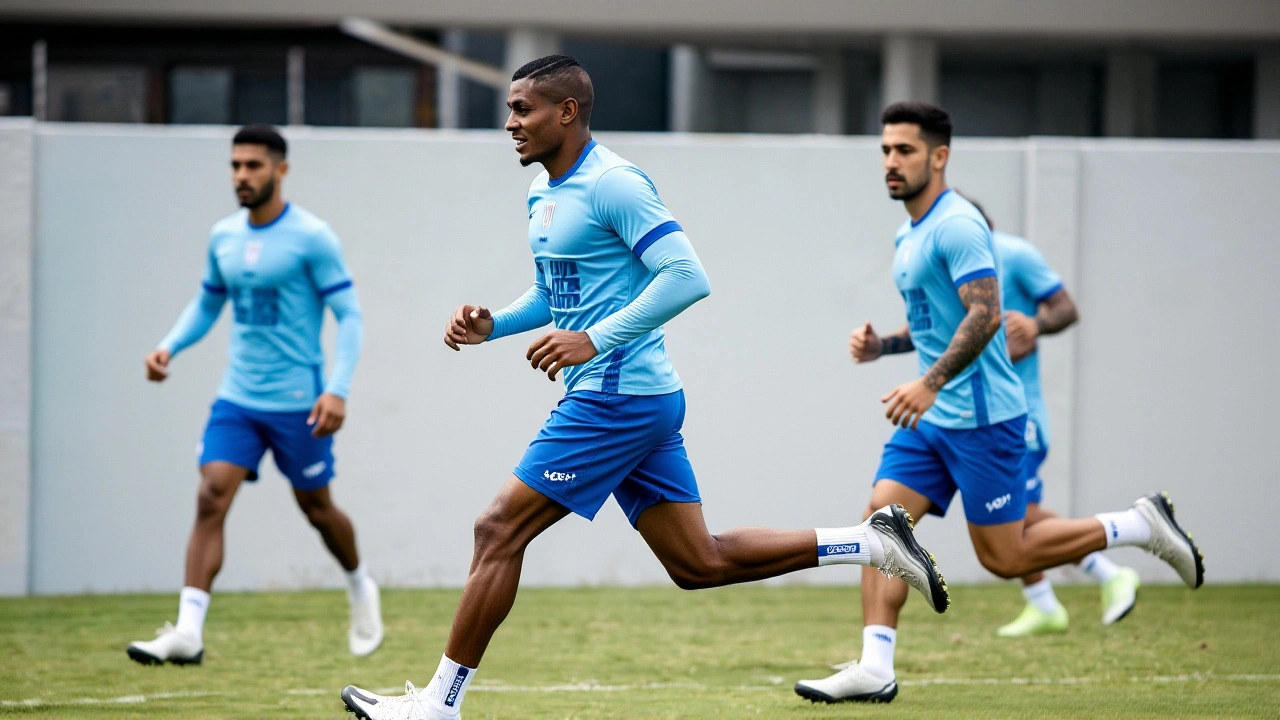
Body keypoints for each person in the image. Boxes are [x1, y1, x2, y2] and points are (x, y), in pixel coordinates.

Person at [339, 56, 948, 720]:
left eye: (522, 109)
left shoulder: (615, 184)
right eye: (510, 109)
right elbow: (553, 294)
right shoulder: (542, 193)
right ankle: (871, 542)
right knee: (699, 563)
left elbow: (686, 277)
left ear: (566, 112)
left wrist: (595, 339)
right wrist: (495, 325)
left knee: (498, 529)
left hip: (615, 397)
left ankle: (438, 705)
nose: (509, 122)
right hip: (635, 399)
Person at [793, 102, 1204, 705]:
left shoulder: (958, 224)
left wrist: (930, 383)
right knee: (881, 524)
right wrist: (885, 346)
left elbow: (985, 314)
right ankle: (875, 665)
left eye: (904, 150)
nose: (891, 161)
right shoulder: (909, 233)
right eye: (885, 150)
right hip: (933, 422)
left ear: (939, 156)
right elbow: (937, 323)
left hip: (985, 420)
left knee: (1006, 558)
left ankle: (1139, 526)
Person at [127, 124, 382, 665]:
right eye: (235, 165)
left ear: (280, 170)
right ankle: (188, 632)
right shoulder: (222, 236)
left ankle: (360, 585)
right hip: (238, 400)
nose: (241, 175)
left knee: (317, 509)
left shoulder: (312, 237)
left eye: (253, 166)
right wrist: (169, 346)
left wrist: (337, 390)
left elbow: (350, 316)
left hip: (300, 403)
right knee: (210, 495)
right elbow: (207, 303)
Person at [965, 197, 1141, 636]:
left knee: (1017, 517)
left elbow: (1066, 309)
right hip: (975, 417)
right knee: (1009, 518)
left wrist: (1035, 325)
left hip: (1019, 414)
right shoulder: (954, 268)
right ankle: (1046, 603)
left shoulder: (1014, 254)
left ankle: (1110, 571)